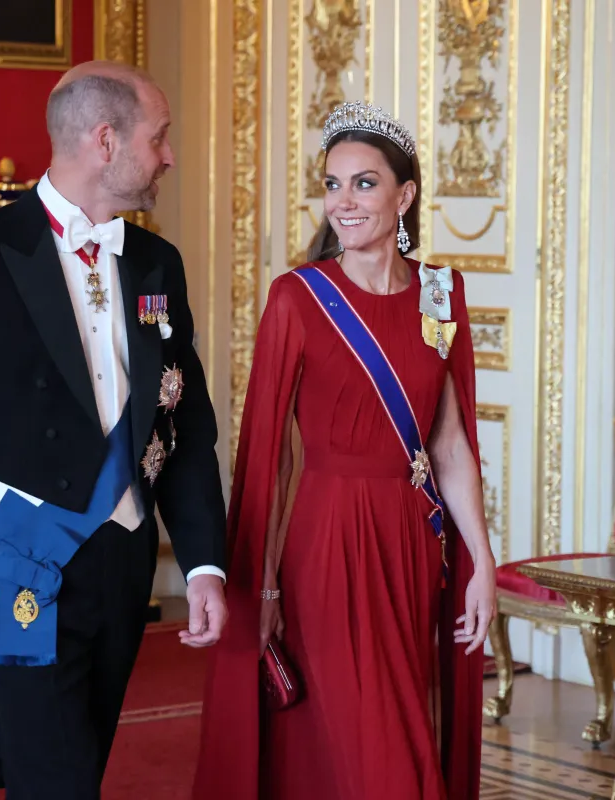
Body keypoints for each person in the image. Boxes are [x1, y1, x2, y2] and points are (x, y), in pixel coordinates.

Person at [0, 60, 228, 799]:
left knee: (70, 769)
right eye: (159, 137)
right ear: (106, 140)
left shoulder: (157, 265)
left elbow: (184, 424)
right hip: (21, 567)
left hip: (119, 570)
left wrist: (203, 563)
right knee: (53, 781)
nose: (169, 155)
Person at [192, 101, 495, 800]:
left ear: (405, 194)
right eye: (332, 184)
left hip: (412, 539)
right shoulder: (298, 298)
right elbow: (273, 458)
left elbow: (448, 443)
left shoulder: (441, 296)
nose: (343, 202)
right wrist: (265, 586)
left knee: (393, 723)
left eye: (363, 183)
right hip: (326, 543)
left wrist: (482, 561)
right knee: (376, 746)